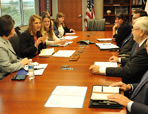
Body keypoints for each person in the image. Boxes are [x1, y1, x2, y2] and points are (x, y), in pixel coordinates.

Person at [89, 17, 148, 83]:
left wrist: (101, 69)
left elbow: (127, 71)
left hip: (130, 84)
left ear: (142, 32)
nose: (132, 32)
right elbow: (134, 61)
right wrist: (119, 60)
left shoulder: (145, 48)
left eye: (134, 29)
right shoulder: (140, 43)